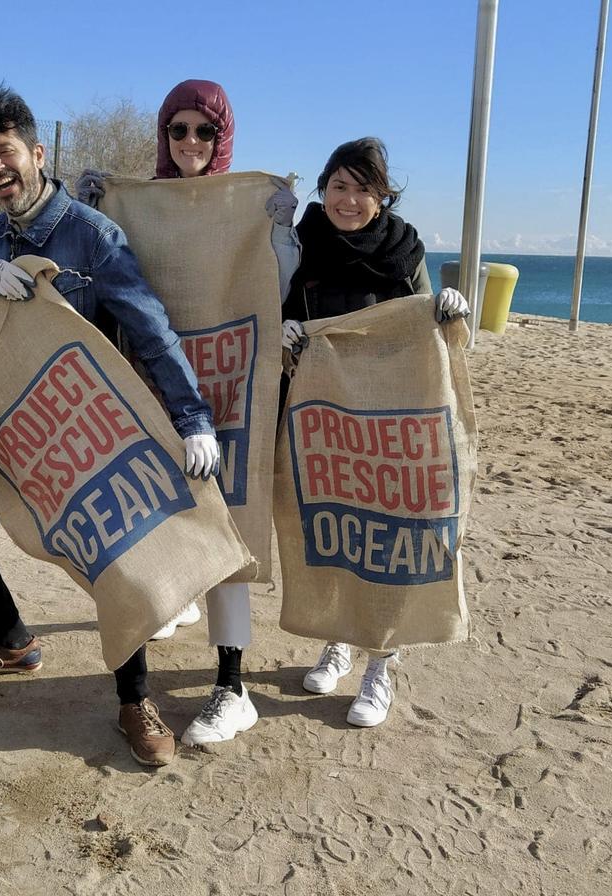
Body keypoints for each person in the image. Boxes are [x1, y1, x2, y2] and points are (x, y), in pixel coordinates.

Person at [0, 82, 220, 768]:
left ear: (36, 151)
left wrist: (193, 419)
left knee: (118, 557)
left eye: (3, 152)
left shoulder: (93, 233)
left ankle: (133, 700)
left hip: (93, 425)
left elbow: (150, 330)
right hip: (19, 421)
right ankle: (11, 641)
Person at [76, 79, 301, 747]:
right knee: (155, 517)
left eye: (205, 131)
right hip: (150, 384)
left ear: (223, 135)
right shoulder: (136, 208)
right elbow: (100, 277)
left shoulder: (246, 209)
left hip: (228, 388)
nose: (192, 143)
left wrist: (280, 229)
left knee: (228, 528)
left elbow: (276, 288)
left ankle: (233, 686)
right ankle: (167, 611)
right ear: (164, 137)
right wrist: (87, 211)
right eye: (179, 130)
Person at [279, 137, 468, 728]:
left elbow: (420, 329)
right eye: (339, 185)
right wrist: (286, 331)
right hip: (323, 418)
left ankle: (380, 666)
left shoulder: (404, 250)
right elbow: (276, 304)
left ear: (382, 197)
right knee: (333, 526)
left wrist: (445, 311)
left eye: (364, 188)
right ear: (323, 188)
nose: (350, 199)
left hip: (391, 421)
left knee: (389, 535)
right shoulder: (298, 243)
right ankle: (338, 639)